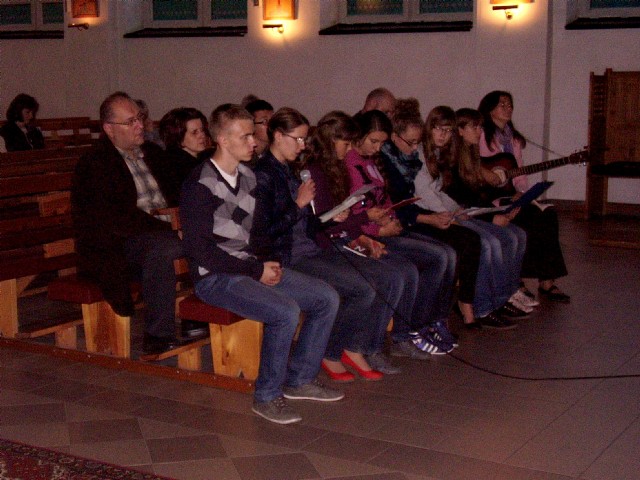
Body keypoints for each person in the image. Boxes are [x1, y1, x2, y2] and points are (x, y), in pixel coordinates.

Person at [180, 103, 342, 425]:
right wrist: (256, 270)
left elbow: (257, 232)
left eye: (253, 135)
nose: (254, 142)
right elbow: (202, 252)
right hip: (215, 277)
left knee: (326, 298)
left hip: (248, 267)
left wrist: (267, 261)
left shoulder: (248, 176)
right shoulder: (199, 184)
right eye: (246, 136)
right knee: (285, 311)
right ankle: (267, 396)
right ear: (223, 140)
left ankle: (300, 379)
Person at [252, 107, 407, 382]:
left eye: (304, 139)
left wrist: (328, 218)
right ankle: (328, 355)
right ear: (278, 136)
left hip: (310, 248)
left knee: (380, 278)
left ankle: (347, 349)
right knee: (357, 289)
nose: (302, 145)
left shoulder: (288, 170)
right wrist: (301, 206)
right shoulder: (263, 174)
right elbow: (266, 231)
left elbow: (306, 224)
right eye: (297, 139)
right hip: (288, 256)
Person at [71, 92, 203, 356]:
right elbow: (115, 217)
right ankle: (158, 335)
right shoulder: (95, 163)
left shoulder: (152, 153)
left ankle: (198, 316)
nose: (140, 125)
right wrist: (170, 229)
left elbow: (179, 193)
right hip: (118, 245)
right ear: (109, 129)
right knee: (162, 248)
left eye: (140, 118)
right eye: (130, 121)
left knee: (203, 236)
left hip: (163, 231)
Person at [382, 102, 516, 330]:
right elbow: (421, 195)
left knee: (495, 238)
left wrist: (455, 210)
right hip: (418, 216)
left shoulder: (434, 153)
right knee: (470, 244)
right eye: (439, 129)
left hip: (425, 213)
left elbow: (439, 191)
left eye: (448, 131)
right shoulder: (408, 157)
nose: (444, 135)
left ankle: (487, 301)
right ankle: (467, 308)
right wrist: (447, 215)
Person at [343, 110, 459, 354]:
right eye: (373, 141)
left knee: (447, 253)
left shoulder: (371, 160)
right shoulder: (349, 161)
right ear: (358, 136)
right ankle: (408, 331)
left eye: (381, 143)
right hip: (368, 232)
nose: (377, 148)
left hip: (385, 226)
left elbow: (384, 197)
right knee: (428, 260)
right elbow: (351, 212)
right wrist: (378, 228)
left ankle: (430, 321)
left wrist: (393, 217)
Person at [478, 91, 569, 303]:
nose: (508, 108)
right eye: (502, 105)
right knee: (525, 221)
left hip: (510, 196)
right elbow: (475, 165)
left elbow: (519, 172)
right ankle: (516, 280)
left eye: (510, 105)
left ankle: (547, 281)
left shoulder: (514, 139)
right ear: (490, 109)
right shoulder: (481, 134)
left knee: (548, 215)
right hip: (491, 198)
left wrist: (521, 190)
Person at [451, 108, 537, 311]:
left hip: (474, 211)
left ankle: (509, 292)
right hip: (461, 214)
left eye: (480, 127)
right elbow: (462, 200)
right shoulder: (453, 160)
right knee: (494, 243)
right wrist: (492, 218)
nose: (479, 131)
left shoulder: (471, 156)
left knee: (518, 235)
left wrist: (502, 210)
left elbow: (480, 196)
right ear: (460, 130)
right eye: (474, 127)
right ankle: (487, 303)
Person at [159, 107, 210, 188]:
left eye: (202, 130)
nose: (202, 135)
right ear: (178, 137)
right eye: (194, 132)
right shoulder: (174, 166)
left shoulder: (206, 156)